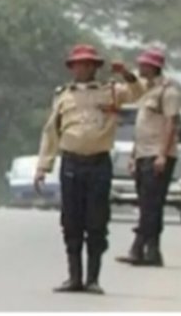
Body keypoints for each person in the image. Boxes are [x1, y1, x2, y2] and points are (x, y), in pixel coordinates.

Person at [34, 44, 144, 294]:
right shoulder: (63, 95)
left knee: (96, 221)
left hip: (98, 164)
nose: (82, 68)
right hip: (72, 162)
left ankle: (93, 278)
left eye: (87, 64)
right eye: (77, 64)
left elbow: (139, 93)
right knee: (71, 222)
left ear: (95, 67)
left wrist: (126, 73)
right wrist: (43, 167)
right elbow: (51, 133)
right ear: (72, 68)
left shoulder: (112, 91)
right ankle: (74, 277)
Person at [116, 48, 181, 267]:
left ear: (154, 67)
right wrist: (134, 155)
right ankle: (152, 251)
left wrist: (162, 154)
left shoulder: (168, 92)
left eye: (144, 65)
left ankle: (138, 248)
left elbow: (171, 124)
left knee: (152, 203)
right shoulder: (146, 91)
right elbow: (141, 126)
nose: (141, 68)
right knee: (147, 204)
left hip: (158, 154)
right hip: (144, 152)